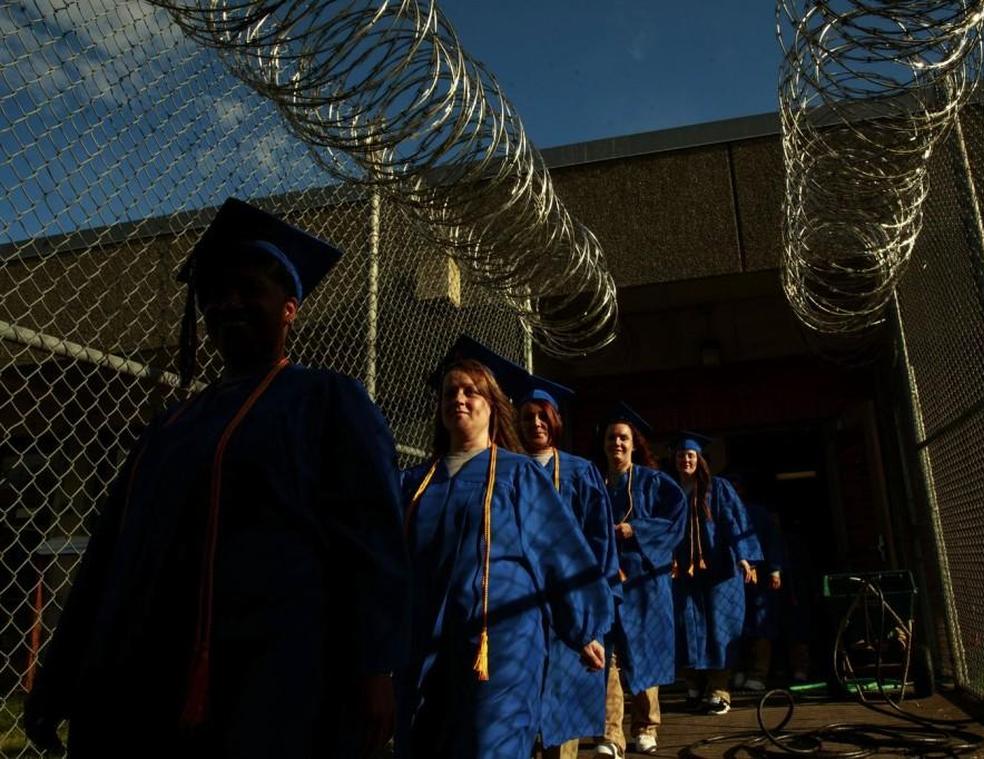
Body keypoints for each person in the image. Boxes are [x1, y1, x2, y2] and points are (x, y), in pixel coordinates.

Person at [22, 197, 410, 758]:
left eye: (249, 289)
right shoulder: (170, 424)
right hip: (144, 681)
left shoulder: (326, 401)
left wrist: (377, 667)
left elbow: (373, 542)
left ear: (289, 309)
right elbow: (109, 555)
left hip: (273, 681)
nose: (228, 305)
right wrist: (58, 678)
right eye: (215, 295)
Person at [398, 339, 611, 759]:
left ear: (492, 404)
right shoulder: (414, 481)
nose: (458, 398)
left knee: (490, 746)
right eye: (448, 392)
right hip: (424, 637)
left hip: (499, 641)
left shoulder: (518, 474)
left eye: (470, 391)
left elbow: (556, 547)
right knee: (425, 740)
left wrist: (583, 627)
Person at [514, 376, 621, 759]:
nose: (535, 424)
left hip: (570, 600)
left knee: (563, 701)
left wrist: (599, 599)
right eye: (527, 417)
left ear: (555, 421)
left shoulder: (580, 472)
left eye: (542, 416)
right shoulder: (506, 470)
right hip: (520, 602)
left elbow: (600, 541)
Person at [596, 404, 686, 758]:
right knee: (609, 654)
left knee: (644, 650)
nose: (616, 443)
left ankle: (646, 727)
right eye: (611, 438)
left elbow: (675, 521)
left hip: (645, 580)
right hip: (606, 578)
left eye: (623, 438)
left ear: (634, 444)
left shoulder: (653, 481)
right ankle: (611, 734)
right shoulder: (594, 481)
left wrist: (637, 528)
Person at [666, 436, 763, 715]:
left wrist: (745, 557)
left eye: (690, 456)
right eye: (680, 456)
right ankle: (694, 686)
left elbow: (735, 522)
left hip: (720, 571)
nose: (685, 460)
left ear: (700, 459)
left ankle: (720, 690)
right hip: (682, 572)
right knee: (685, 627)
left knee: (719, 629)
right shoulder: (670, 491)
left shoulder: (718, 488)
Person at [724, 472, 786, 693]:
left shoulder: (758, 513)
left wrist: (775, 569)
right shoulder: (720, 512)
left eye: (737, 487)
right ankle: (736, 671)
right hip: (731, 577)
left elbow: (772, 541)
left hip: (758, 578)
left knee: (760, 625)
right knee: (733, 626)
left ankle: (758, 673)